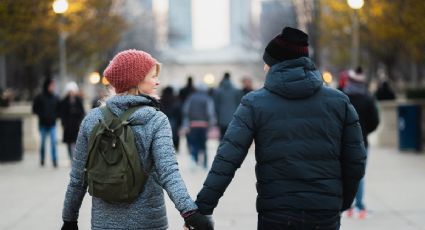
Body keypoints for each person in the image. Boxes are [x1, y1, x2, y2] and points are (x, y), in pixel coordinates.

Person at [194, 27, 366, 230]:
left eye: (267, 62)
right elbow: (356, 160)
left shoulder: (254, 103)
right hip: (324, 212)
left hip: (277, 213)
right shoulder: (339, 101)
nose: (265, 68)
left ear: (276, 64)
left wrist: (203, 208)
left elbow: (227, 158)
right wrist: (340, 201)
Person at [61, 50, 213, 230]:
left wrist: (69, 220)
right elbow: (168, 172)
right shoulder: (156, 119)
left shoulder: (92, 119)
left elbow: (78, 177)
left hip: (104, 222)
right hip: (148, 221)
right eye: (153, 76)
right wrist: (190, 213)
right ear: (136, 80)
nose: (157, 82)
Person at [343, 67, 380, 219]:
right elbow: (375, 121)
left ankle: (348, 206)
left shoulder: (342, 97)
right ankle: (359, 206)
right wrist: (364, 132)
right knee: (359, 174)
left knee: (344, 173)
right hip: (362, 142)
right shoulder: (368, 98)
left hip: (343, 142)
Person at [182, 83, 216, 170]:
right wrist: (211, 124)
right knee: (203, 145)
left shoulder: (191, 98)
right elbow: (210, 112)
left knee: (194, 144)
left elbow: (186, 111)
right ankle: (204, 164)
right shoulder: (207, 98)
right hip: (204, 125)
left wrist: (186, 124)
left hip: (193, 125)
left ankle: (194, 162)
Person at [32, 77, 60, 167]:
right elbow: (34, 109)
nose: (53, 87)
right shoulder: (39, 97)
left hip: (52, 123)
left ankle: (54, 160)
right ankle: (42, 158)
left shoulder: (55, 97)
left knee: (53, 142)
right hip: (43, 124)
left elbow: (59, 109)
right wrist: (42, 114)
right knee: (43, 143)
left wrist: (55, 115)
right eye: (52, 85)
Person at [59, 82, 85, 162]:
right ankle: (71, 158)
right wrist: (63, 123)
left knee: (75, 142)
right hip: (67, 125)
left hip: (76, 125)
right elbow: (62, 113)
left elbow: (82, 112)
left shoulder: (78, 100)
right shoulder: (64, 101)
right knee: (68, 143)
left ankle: (74, 158)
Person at [213, 72, 241, 139]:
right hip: (233, 119)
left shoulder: (218, 91)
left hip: (221, 119)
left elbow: (215, 106)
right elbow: (239, 105)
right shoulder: (236, 91)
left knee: (222, 138)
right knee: (231, 138)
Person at [160, 86, 182, 152]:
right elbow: (179, 113)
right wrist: (179, 124)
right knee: (175, 136)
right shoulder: (176, 100)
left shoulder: (161, 100)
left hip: (163, 122)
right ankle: (176, 148)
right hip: (173, 122)